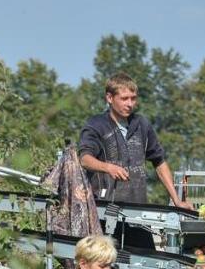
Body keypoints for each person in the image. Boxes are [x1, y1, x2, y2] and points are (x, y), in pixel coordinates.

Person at [78, 73, 193, 210]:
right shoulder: (96, 124)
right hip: (103, 209)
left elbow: (159, 162)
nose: (130, 104)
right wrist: (108, 167)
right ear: (109, 97)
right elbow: (84, 159)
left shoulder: (142, 124)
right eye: (124, 99)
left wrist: (177, 200)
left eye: (133, 99)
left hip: (139, 209)